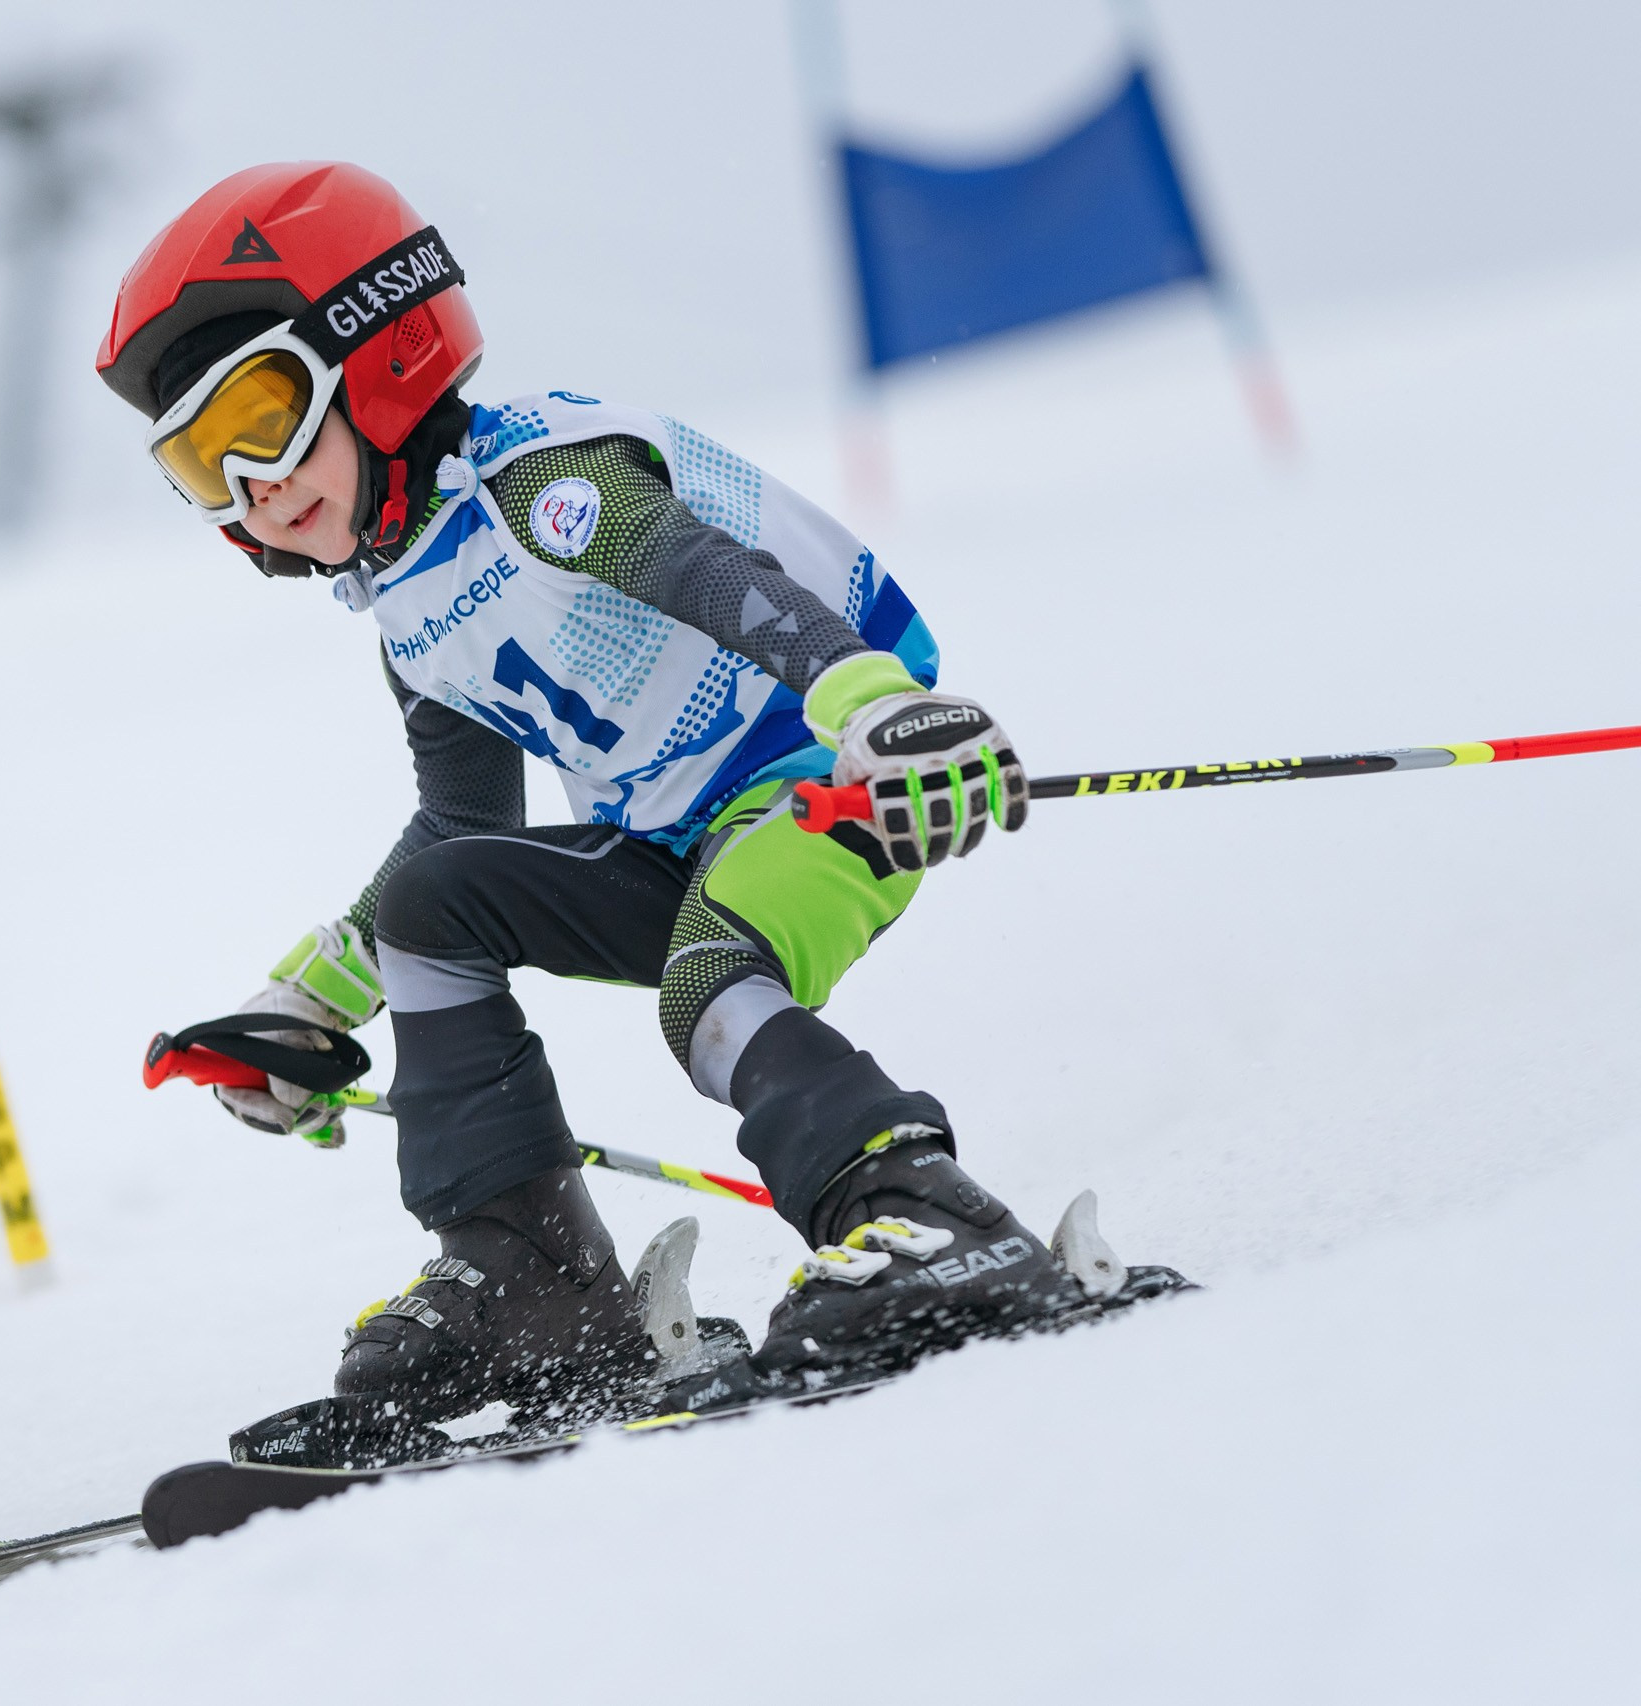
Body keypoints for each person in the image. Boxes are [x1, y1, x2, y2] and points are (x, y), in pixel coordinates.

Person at [97, 161, 1072, 1424]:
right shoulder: (410, 609)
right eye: (199, 463)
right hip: (672, 839)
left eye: (263, 418)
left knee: (710, 977)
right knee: (436, 908)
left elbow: (714, 580)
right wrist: (308, 997)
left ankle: (921, 1210)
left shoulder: (540, 489)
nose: (252, 488)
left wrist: (874, 704)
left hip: (828, 784)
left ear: (380, 350)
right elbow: (461, 824)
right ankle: (537, 1286)